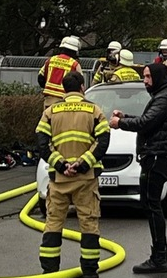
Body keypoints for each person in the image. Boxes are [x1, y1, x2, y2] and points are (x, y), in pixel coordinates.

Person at [110, 63, 167, 274]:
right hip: (157, 154)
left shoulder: (166, 97)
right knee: (149, 203)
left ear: (158, 77)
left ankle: (159, 256)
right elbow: (149, 121)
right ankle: (162, 254)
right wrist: (125, 117)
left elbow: (146, 123)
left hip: (158, 155)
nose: (145, 81)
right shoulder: (163, 95)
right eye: (144, 77)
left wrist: (119, 123)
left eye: (149, 76)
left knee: (151, 204)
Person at [37, 72, 110, 278]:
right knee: (89, 224)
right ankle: (89, 273)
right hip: (85, 180)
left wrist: (61, 165)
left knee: (53, 225)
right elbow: (103, 141)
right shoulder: (94, 110)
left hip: (59, 181)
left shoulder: (51, 112)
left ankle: (49, 272)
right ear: (81, 87)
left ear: (63, 89)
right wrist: (82, 164)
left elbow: (42, 144)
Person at [38, 36, 83, 109]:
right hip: (65, 101)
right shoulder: (75, 64)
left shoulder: (50, 60)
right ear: (75, 51)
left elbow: (40, 78)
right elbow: (81, 84)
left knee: (47, 119)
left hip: (49, 100)